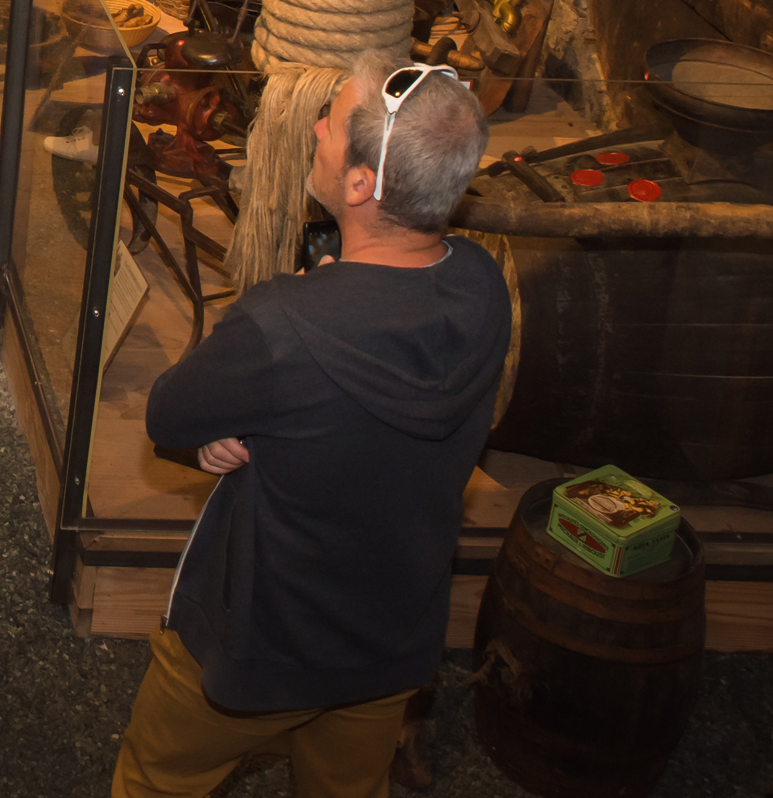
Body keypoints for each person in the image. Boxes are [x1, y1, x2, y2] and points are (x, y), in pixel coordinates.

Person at [110, 56, 512, 798]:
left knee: (156, 781)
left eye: (330, 123)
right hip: (388, 644)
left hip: (258, 647)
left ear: (362, 185)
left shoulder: (282, 325)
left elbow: (170, 409)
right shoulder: (485, 287)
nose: (318, 127)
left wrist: (277, 326)